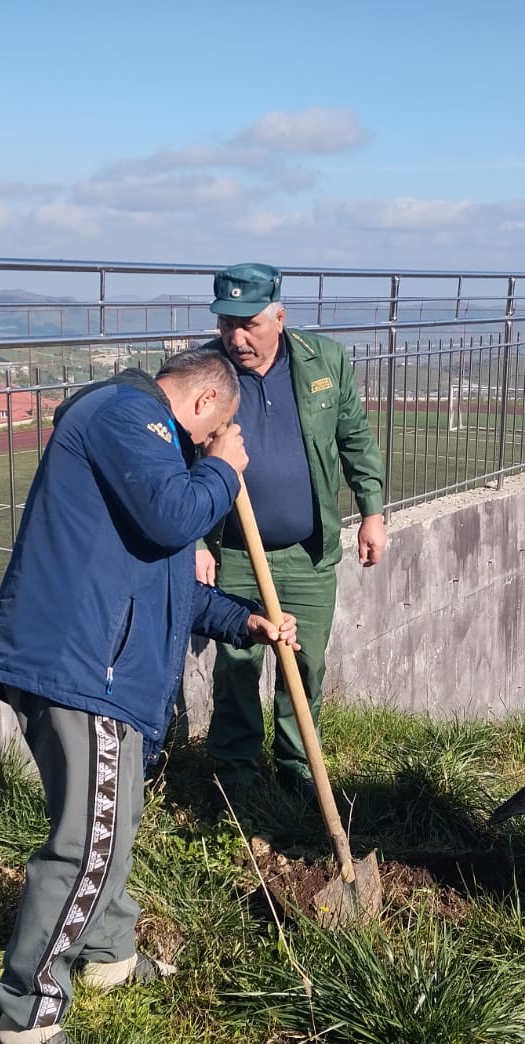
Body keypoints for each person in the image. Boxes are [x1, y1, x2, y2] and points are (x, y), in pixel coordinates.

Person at [0, 347, 299, 1044]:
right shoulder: (130, 414)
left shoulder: (148, 443)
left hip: (102, 668)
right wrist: (224, 468)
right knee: (84, 842)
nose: (201, 449)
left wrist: (245, 620)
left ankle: (111, 954)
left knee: (111, 825)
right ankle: (23, 1020)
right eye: (208, 434)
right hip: (81, 666)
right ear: (204, 405)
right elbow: (171, 517)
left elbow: (168, 584)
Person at [196, 263, 386, 800]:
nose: (237, 337)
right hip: (232, 550)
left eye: (249, 323)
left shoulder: (323, 361)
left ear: (279, 316)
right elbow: (173, 459)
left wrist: (372, 509)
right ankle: (235, 774)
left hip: (307, 552)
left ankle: (297, 766)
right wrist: (190, 541)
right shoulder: (203, 373)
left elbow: (354, 435)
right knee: (235, 667)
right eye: (226, 323)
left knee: (305, 665)